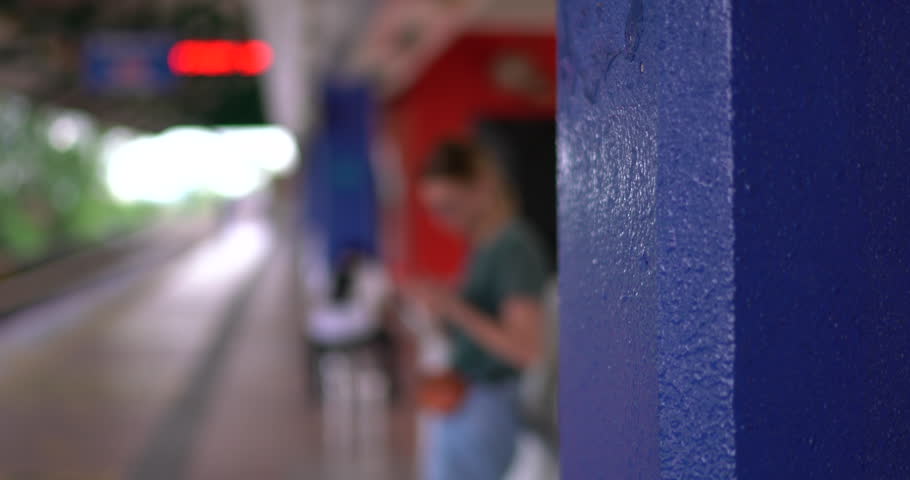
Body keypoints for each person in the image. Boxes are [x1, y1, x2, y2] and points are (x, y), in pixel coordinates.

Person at [405, 140, 550, 480]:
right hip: (466, 398)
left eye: (449, 206)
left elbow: (525, 349)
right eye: (435, 210)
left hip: (488, 402)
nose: (441, 220)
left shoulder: (514, 248)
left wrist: (452, 307)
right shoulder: (484, 245)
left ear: (483, 187)